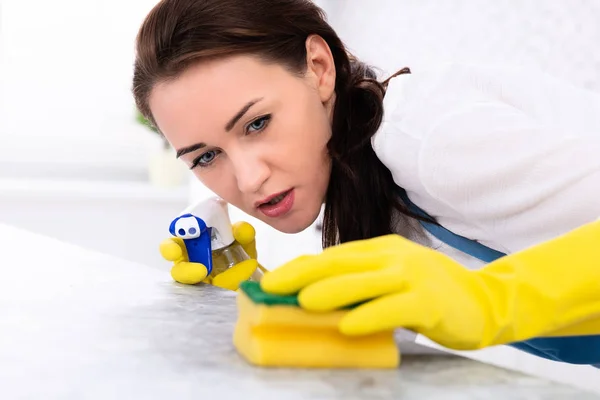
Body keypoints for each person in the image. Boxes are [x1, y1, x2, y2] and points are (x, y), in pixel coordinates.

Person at [132, 0, 600, 365]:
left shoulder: (429, 138)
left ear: (318, 68)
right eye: (208, 156)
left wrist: (496, 299)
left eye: (257, 124)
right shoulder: (364, 181)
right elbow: (376, 346)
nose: (250, 178)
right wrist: (258, 292)